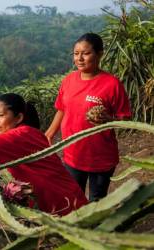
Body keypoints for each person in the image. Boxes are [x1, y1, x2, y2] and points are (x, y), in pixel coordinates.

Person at [45, 33, 131, 201]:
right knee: (73, 198)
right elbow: (62, 109)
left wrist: (108, 119)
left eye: (86, 53)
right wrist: (49, 134)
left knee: (96, 201)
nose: (80, 58)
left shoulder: (112, 84)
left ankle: (95, 227)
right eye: (76, 54)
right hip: (72, 154)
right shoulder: (68, 80)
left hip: (100, 157)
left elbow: (125, 120)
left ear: (99, 54)